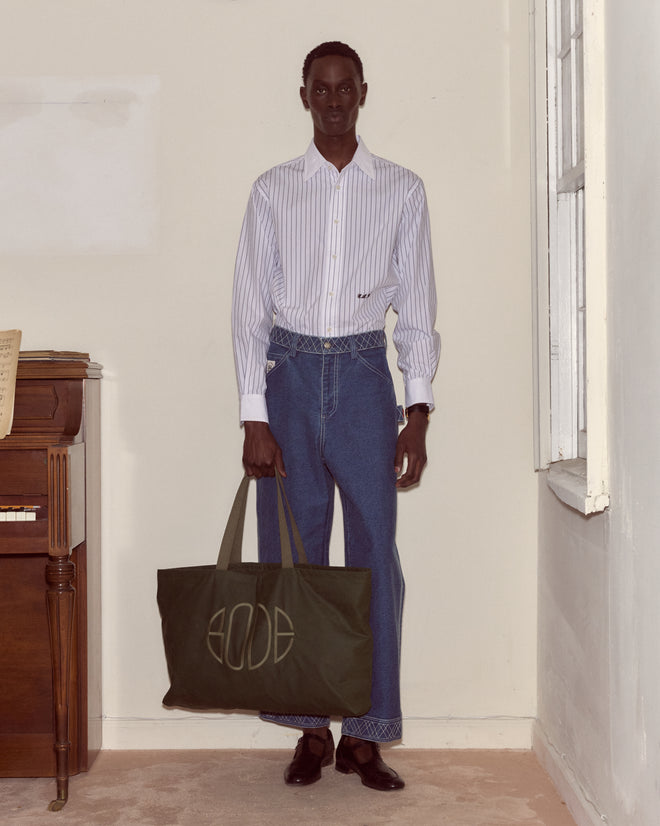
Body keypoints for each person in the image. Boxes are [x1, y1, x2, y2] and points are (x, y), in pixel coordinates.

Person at [231, 40, 440, 792]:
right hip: (287, 376)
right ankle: (311, 730)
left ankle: (366, 734)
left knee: (373, 556)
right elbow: (249, 309)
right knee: (296, 557)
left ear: (362, 92)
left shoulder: (402, 189)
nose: (332, 100)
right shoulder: (273, 190)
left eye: (344, 87)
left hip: (362, 377)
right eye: (319, 88)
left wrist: (417, 411)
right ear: (304, 96)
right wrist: (254, 415)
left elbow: (417, 307)